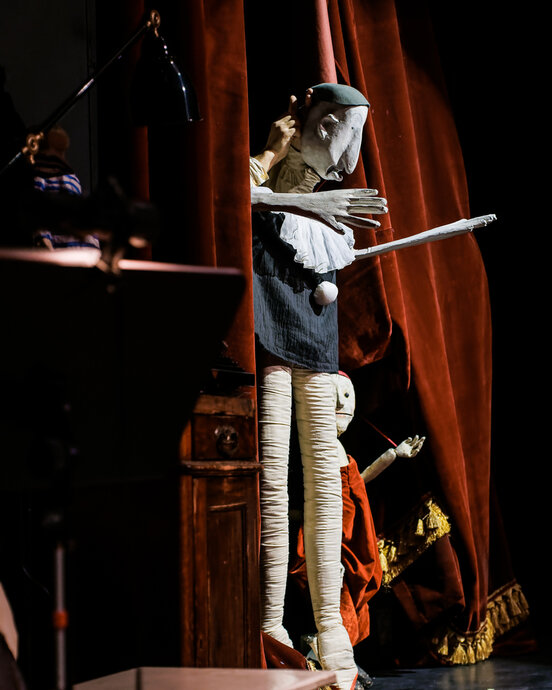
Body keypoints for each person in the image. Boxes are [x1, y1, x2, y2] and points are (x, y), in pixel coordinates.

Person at [250, 83, 387, 690]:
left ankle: (332, 630)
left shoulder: (330, 211)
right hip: (272, 322)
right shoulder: (271, 175)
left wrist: (320, 211)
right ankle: (270, 625)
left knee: (325, 482)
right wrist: (269, 156)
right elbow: (234, 197)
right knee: (274, 478)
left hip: (314, 328)